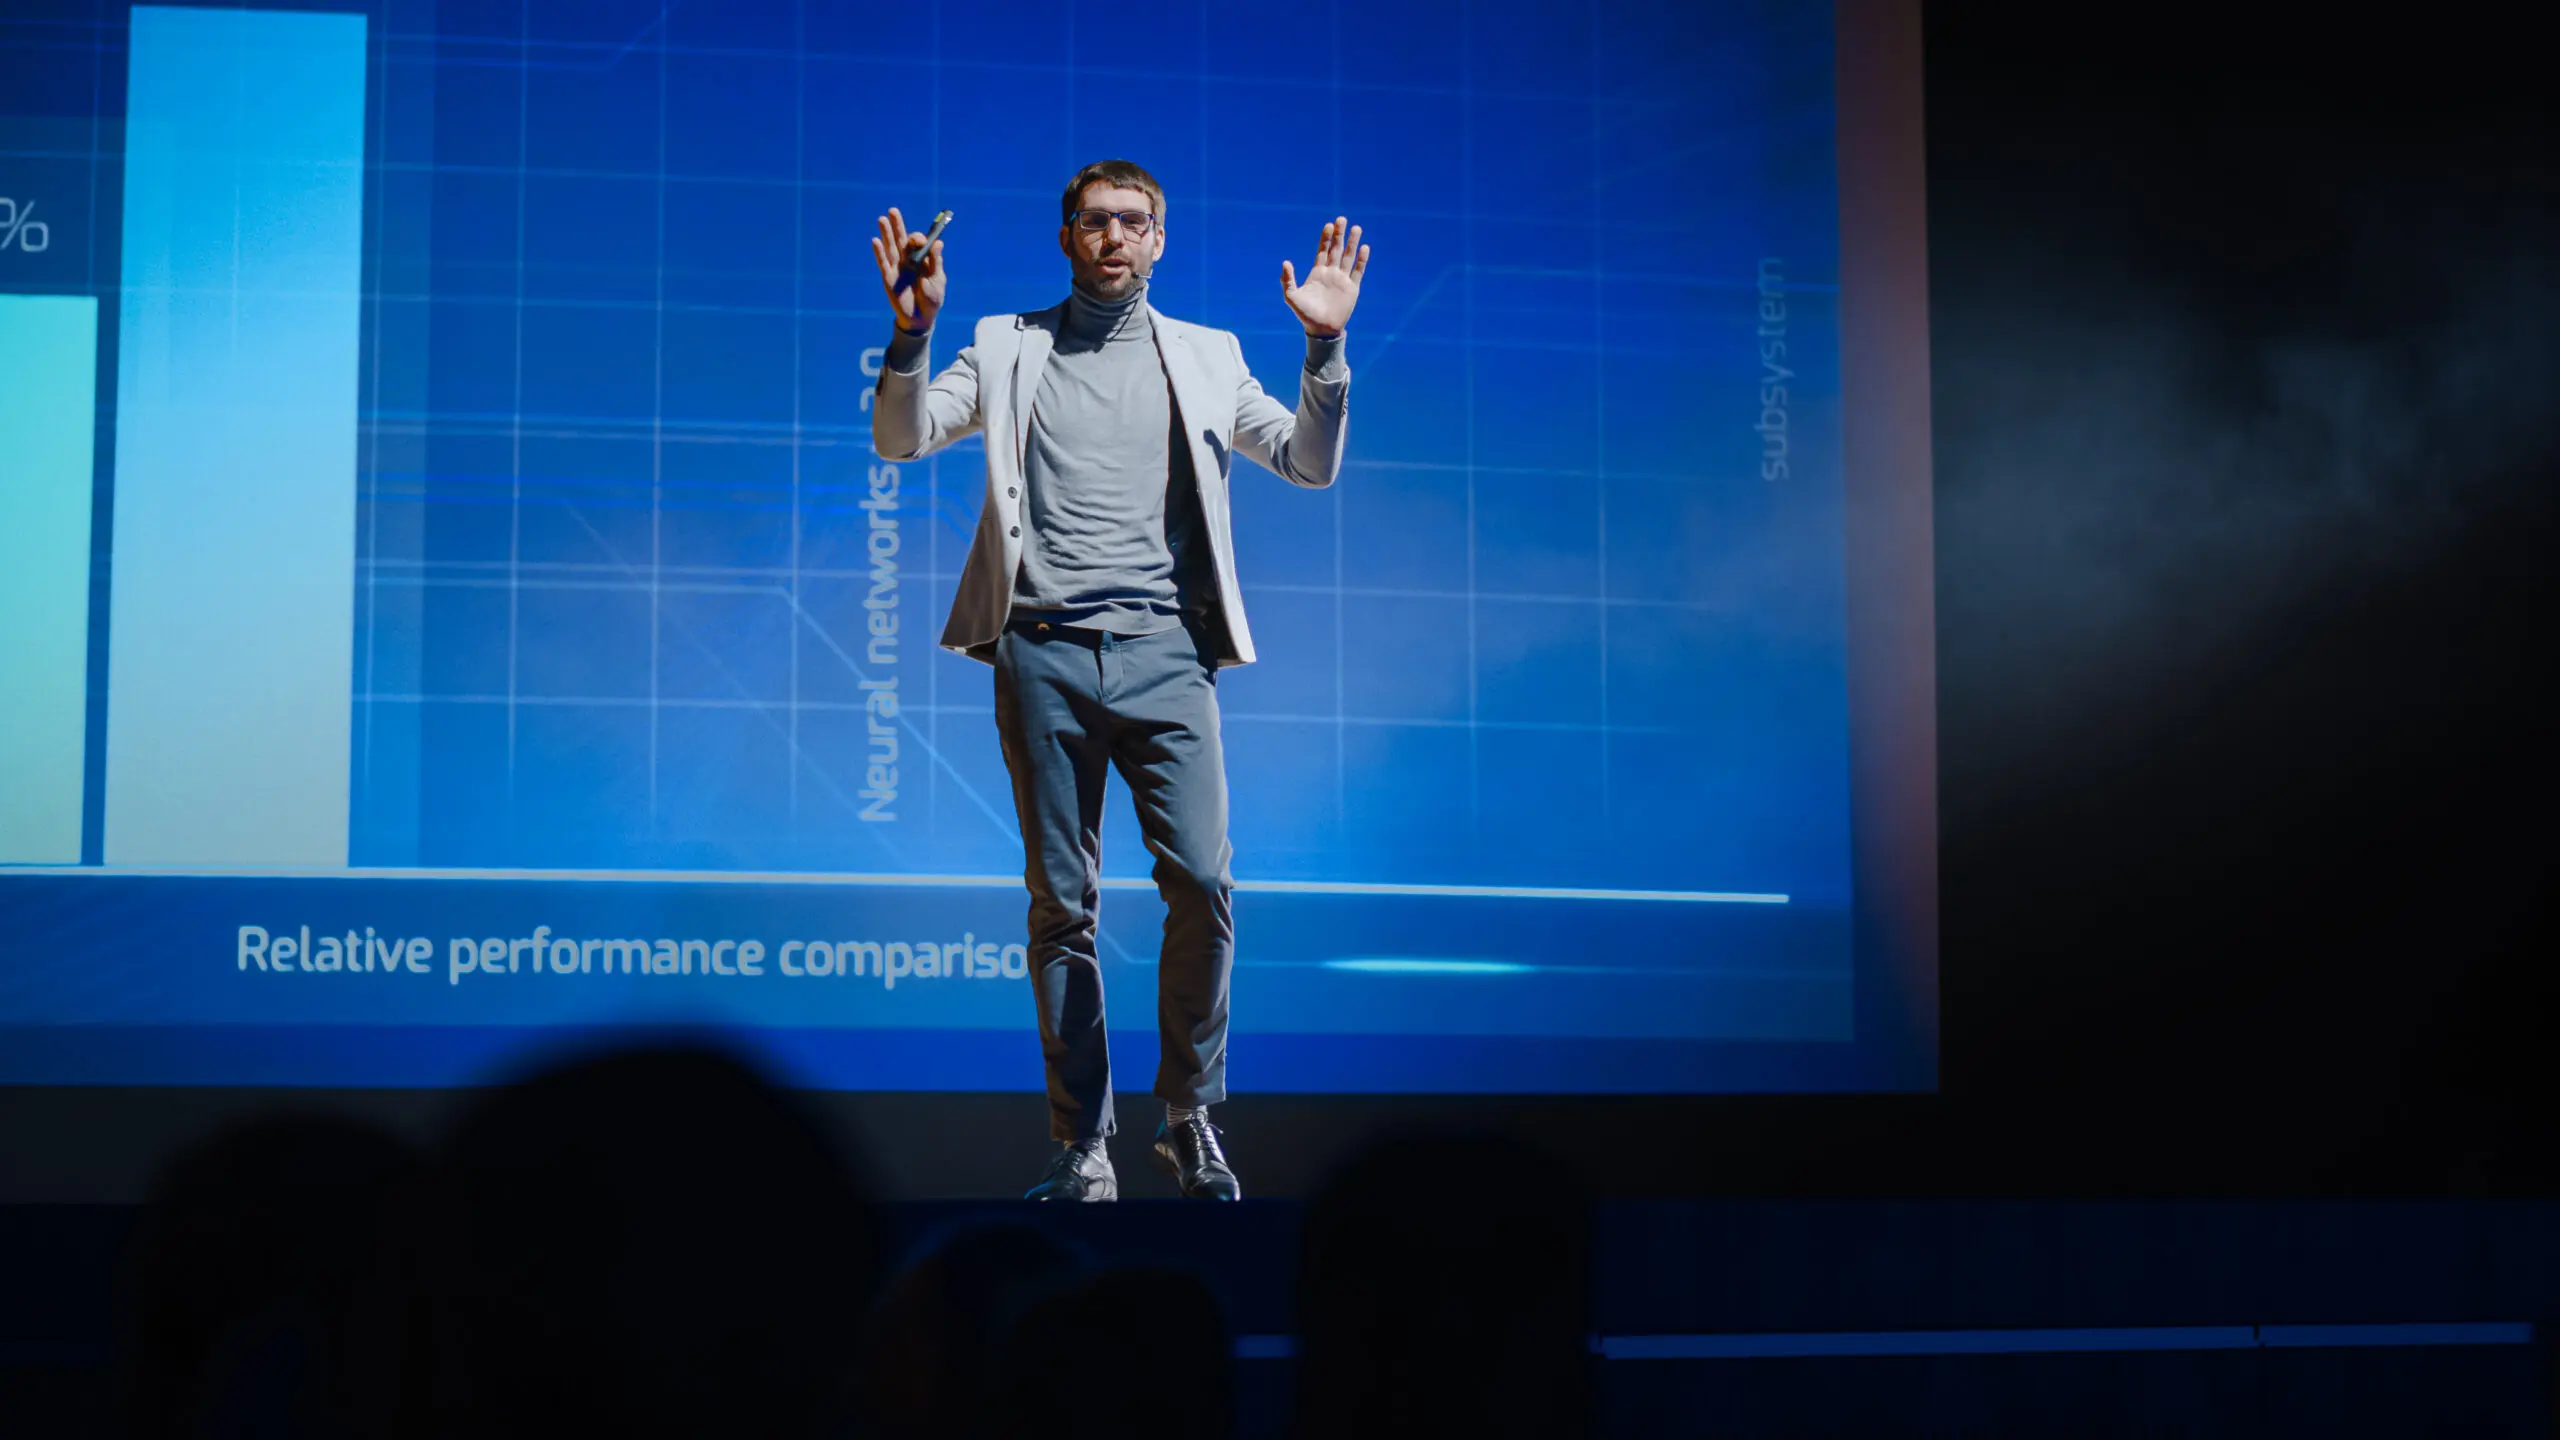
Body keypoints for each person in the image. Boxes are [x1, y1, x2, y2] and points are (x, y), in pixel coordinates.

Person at [869, 159, 1368, 1202]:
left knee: (1203, 884)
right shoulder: (1008, 345)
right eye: (1094, 222)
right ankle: (1080, 1145)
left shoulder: (1206, 352)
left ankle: (1187, 1119)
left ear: (1159, 239)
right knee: (1062, 904)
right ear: (1065, 236)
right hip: (1041, 648)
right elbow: (902, 436)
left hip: (1165, 653)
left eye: (1132, 223)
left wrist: (1324, 346)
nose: (1113, 238)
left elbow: (1307, 462)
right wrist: (911, 336)